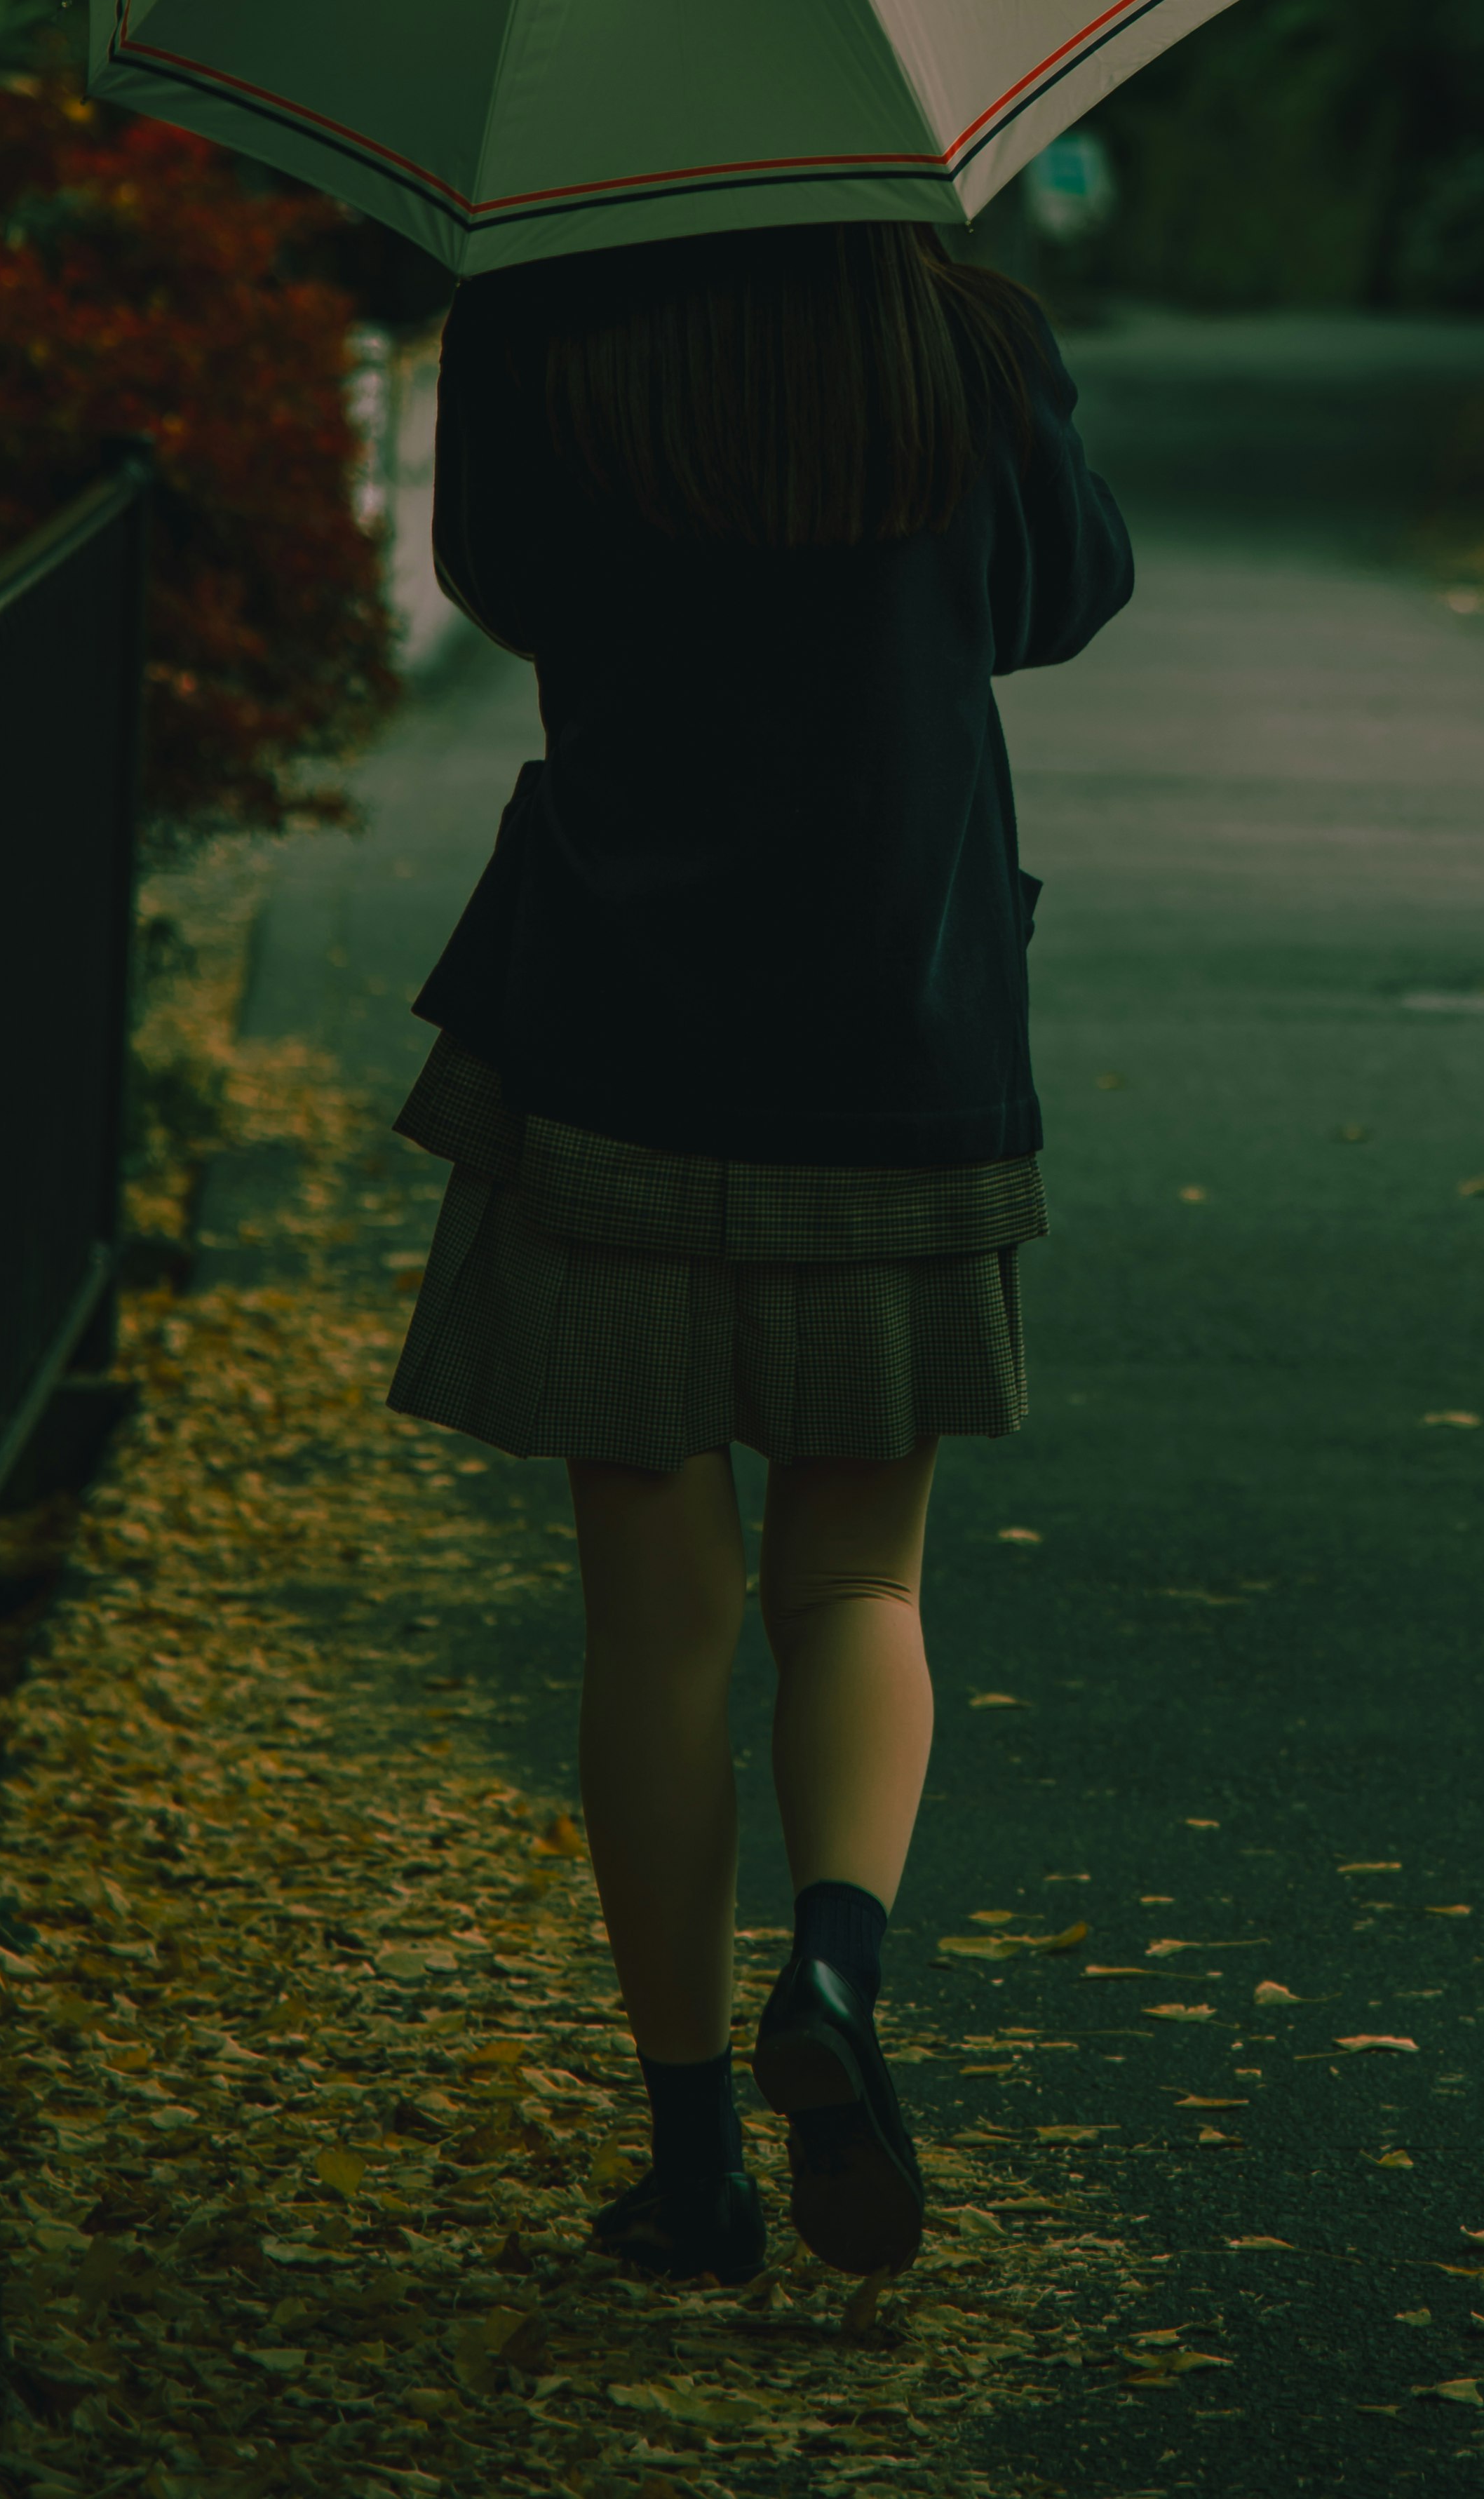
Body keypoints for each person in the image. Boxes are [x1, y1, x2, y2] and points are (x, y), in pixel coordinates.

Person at [382, 215, 1133, 2289]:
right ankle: (839, 1968)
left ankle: (695, 2153)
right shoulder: (960, 327)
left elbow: (498, 585)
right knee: (860, 1574)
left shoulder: (538, 313)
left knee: (655, 1617)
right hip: (898, 1027)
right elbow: (1065, 588)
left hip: (617, 1015)